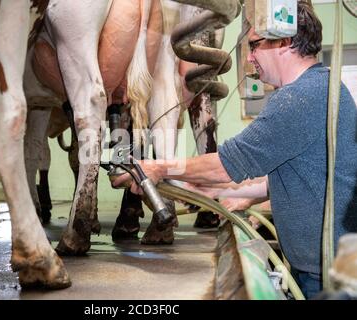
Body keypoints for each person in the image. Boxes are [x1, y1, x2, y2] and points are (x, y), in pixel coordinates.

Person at [113, 2, 357, 299]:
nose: (250, 57)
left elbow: (225, 165)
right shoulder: (327, 86)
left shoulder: (297, 99)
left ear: (284, 41)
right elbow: (301, 175)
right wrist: (222, 193)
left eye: (254, 46)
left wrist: (159, 168)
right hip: (329, 262)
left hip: (322, 273)